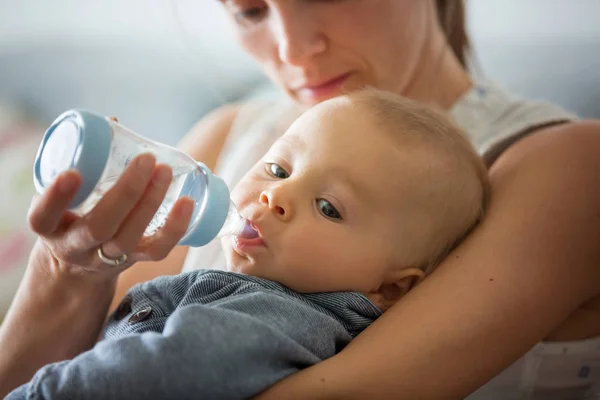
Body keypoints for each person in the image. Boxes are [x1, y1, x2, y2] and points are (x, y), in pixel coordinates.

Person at [1, 1, 599, 398]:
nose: (291, 47)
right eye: (251, 9)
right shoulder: (228, 134)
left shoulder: (568, 165)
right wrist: (66, 266)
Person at [5, 90, 489, 399]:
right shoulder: (243, 290)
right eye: (278, 170)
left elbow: (159, 373)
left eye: (329, 208)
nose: (274, 195)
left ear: (391, 289)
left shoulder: (283, 318)